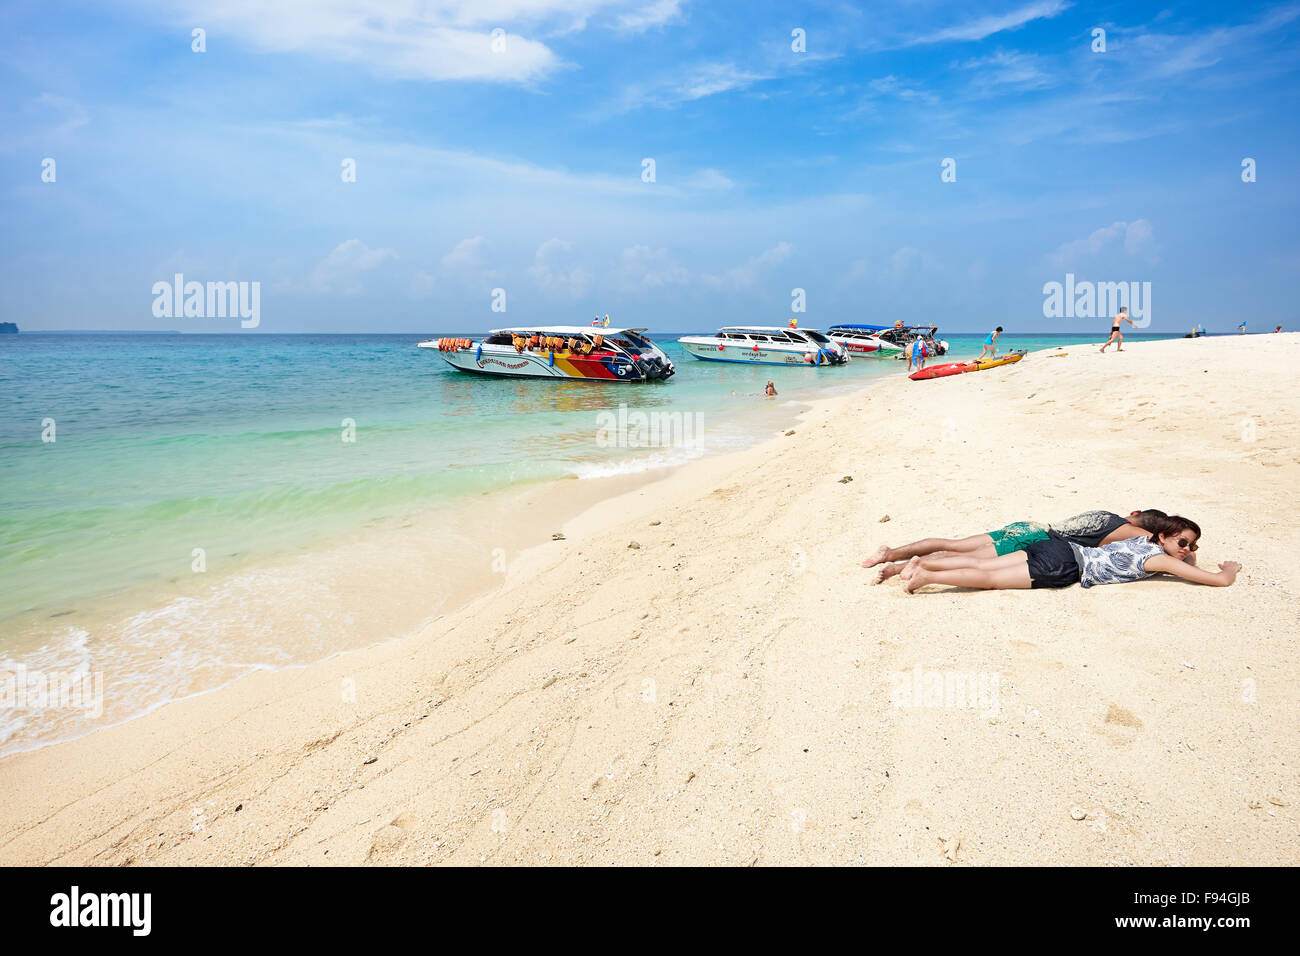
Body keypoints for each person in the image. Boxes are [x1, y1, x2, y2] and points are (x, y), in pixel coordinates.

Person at [898, 515, 1238, 593]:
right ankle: (927, 576)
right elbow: (1218, 581)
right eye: (1183, 543)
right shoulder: (1161, 558)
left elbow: (1182, 558)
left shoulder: (1147, 542)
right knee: (988, 578)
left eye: (1192, 545)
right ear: (1163, 536)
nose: (1187, 551)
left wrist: (1185, 551)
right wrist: (1230, 569)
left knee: (980, 561)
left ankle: (922, 563)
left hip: (1057, 546)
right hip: (1065, 564)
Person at [862, 509, 1181, 584]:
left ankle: (890, 555)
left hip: (1030, 527)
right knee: (959, 556)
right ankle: (897, 568)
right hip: (1036, 541)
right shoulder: (1129, 533)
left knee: (952, 545)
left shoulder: (1107, 514)